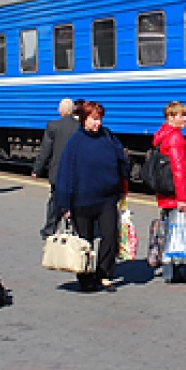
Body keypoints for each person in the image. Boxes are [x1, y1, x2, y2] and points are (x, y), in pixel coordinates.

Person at [53, 100, 131, 292]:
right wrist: (65, 205)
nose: (97, 124)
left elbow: (122, 160)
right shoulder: (75, 142)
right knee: (85, 241)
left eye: (99, 119)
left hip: (106, 198)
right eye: (93, 119)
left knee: (110, 236)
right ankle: (86, 277)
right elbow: (66, 174)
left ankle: (104, 274)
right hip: (81, 200)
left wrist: (123, 182)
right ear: (84, 119)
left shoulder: (108, 137)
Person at [153, 100, 186, 283]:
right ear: (170, 117)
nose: (185, 118)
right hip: (181, 195)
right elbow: (179, 170)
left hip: (168, 195)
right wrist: (183, 199)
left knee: (171, 232)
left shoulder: (163, 135)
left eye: (184, 114)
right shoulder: (175, 138)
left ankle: (171, 273)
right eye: (181, 115)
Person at [33, 97, 80, 236]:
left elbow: (45, 150)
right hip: (76, 171)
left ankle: (49, 229)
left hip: (58, 171)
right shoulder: (79, 127)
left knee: (55, 200)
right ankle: (76, 229)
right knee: (75, 200)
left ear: (61, 111)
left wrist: (37, 169)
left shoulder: (53, 125)